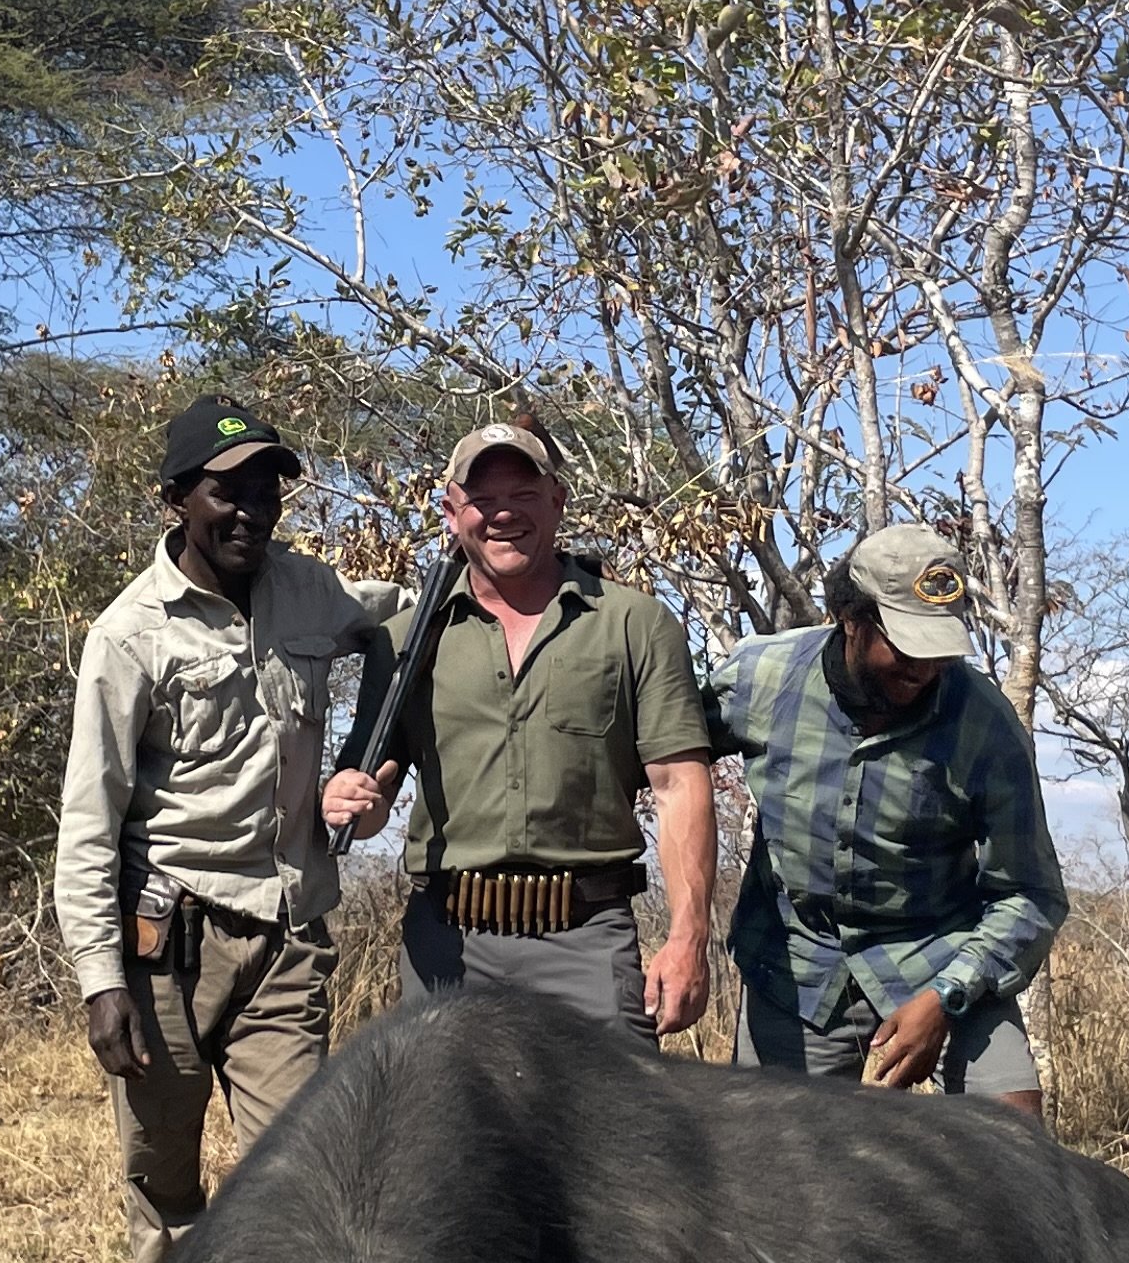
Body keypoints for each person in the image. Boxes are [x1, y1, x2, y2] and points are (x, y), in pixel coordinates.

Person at [55, 392, 401, 1263]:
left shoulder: (308, 589)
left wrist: (370, 762)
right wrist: (102, 982)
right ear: (177, 499)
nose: (251, 510)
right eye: (227, 492)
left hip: (286, 936)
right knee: (164, 1189)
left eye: (268, 490)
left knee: (294, 1177)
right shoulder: (128, 635)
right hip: (168, 942)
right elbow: (91, 820)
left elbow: (396, 627)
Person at [321, 416, 716, 1042]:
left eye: (524, 496)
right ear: (452, 512)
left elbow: (678, 786)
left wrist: (688, 937)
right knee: (446, 1139)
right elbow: (371, 798)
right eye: (483, 500)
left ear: (557, 501)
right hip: (445, 945)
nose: (503, 515)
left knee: (611, 1137)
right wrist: (345, 801)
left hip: (587, 939)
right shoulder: (402, 642)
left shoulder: (636, 624)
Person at [709, 521, 1067, 1114]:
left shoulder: (983, 722)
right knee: (770, 1166)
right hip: (797, 966)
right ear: (851, 618)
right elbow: (665, 756)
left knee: (1016, 1140)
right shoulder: (758, 678)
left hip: (941, 956)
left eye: (938, 650)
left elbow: (1030, 894)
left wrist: (947, 995)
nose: (923, 669)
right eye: (904, 646)